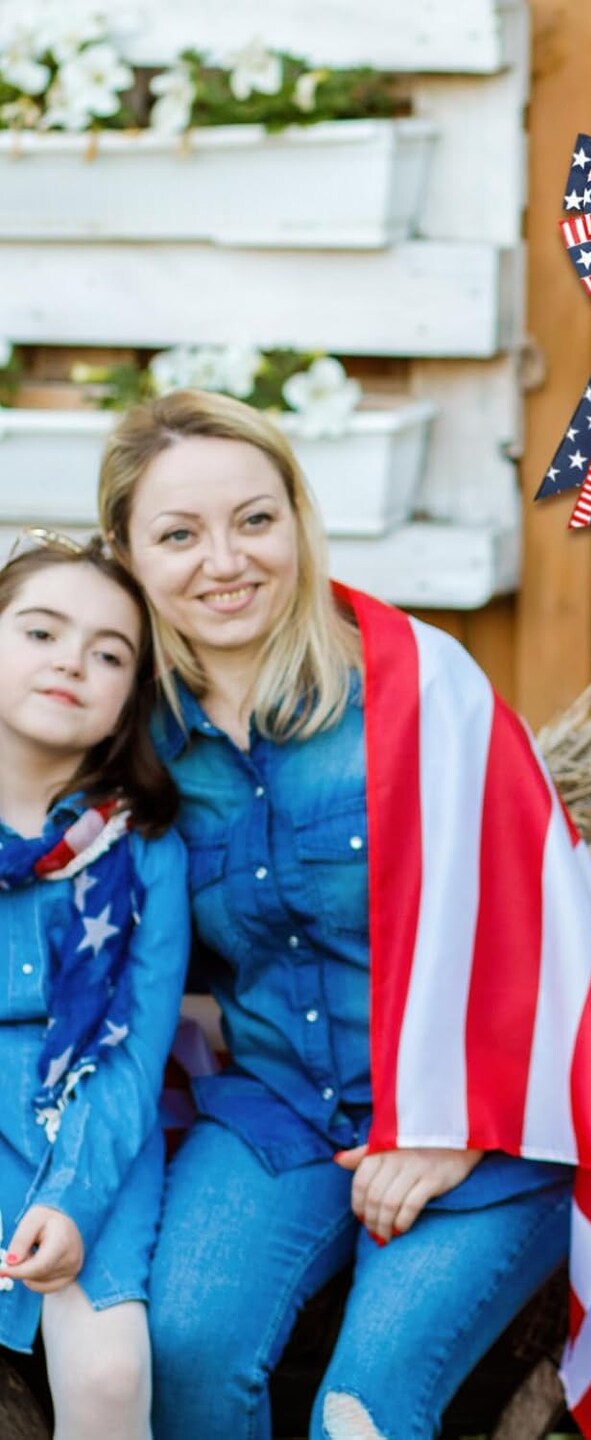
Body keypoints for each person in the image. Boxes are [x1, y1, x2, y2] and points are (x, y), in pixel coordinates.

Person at [97, 392, 574, 1439]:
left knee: (360, 1413)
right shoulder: (137, 742)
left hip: (477, 1124)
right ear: (128, 557)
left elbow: (541, 932)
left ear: (300, 522)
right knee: (182, 1354)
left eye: (254, 520)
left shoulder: (418, 690)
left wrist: (452, 1128)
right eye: (178, 535)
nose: (225, 561)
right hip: (278, 1113)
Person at [0, 532, 188, 1440]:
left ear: (128, 702)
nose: (72, 660)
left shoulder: (143, 847)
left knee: (110, 1375)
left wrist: (71, 1199)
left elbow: (136, 1050)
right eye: (41, 632)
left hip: (85, 1129)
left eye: (109, 653)